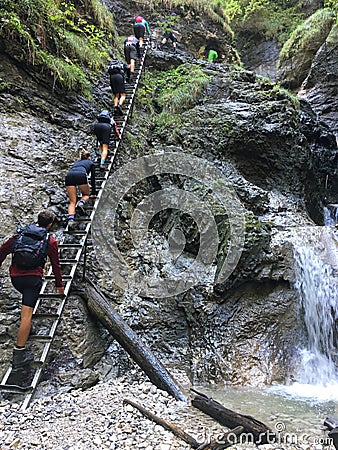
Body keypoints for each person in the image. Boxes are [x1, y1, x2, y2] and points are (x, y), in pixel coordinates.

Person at [0, 210, 64, 370]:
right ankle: (19, 354)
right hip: (32, 280)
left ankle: (25, 329)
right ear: (50, 225)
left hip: (16, 279)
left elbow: (2, 251)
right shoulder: (50, 241)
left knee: (26, 309)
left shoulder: (19, 236)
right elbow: (56, 265)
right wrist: (59, 285)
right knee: (26, 316)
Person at [65, 149, 97, 229]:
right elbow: (93, 178)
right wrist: (93, 192)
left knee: (72, 202)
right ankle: (81, 203)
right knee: (86, 194)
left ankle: (71, 220)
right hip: (81, 175)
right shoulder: (91, 163)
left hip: (69, 175)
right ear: (89, 157)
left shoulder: (76, 163)